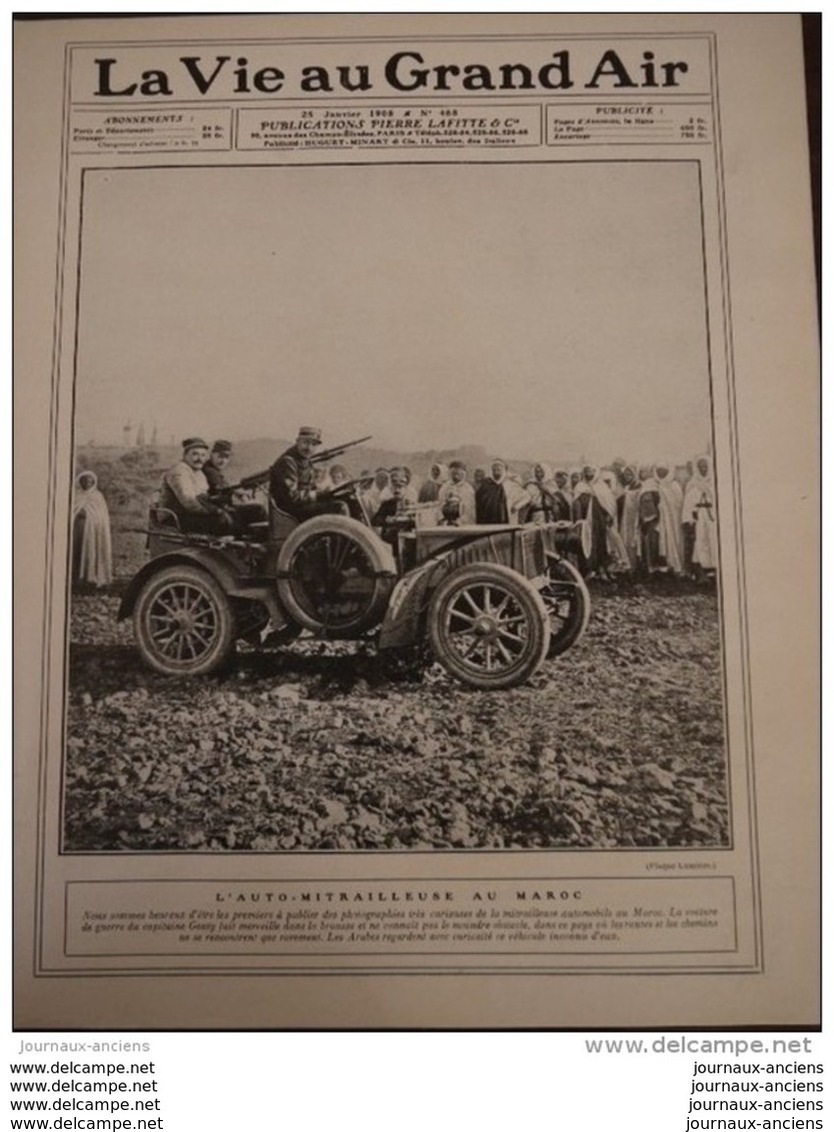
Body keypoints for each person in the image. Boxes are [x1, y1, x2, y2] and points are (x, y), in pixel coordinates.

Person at [269, 426, 348, 520]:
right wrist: (318, 493)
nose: (309, 448)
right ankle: (346, 534)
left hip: (302, 506)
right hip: (291, 512)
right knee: (339, 507)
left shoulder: (306, 461)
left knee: (347, 500)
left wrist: (325, 491)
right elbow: (292, 497)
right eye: (306, 443)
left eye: (314, 445)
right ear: (297, 442)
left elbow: (311, 487)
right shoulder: (288, 462)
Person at [160, 437, 233, 534]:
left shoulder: (197, 471)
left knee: (235, 514)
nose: (200, 459)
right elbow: (189, 502)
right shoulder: (179, 471)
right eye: (195, 454)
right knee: (221, 519)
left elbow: (203, 497)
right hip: (175, 517)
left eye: (203, 455)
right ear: (185, 455)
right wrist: (213, 511)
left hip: (189, 514)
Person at [72, 471, 112, 589]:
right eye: (85, 481)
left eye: (90, 481)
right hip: (77, 529)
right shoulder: (75, 496)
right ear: (80, 481)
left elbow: (101, 516)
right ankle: (75, 578)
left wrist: (88, 515)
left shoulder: (97, 497)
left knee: (90, 552)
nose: (87, 484)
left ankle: (90, 578)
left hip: (92, 531)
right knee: (76, 552)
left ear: (93, 483)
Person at [682, 454, 718, 576]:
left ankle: (714, 569)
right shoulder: (692, 484)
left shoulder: (714, 482)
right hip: (698, 517)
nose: (703, 469)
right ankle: (701, 571)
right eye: (700, 466)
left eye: (705, 466)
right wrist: (689, 519)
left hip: (712, 516)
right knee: (700, 542)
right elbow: (688, 503)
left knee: (713, 540)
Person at [476, 459, 531, 524]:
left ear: (504, 471)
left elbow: (527, 497)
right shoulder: (486, 485)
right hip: (488, 519)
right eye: (494, 470)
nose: (496, 472)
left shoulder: (510, 484)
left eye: (498, 470)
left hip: (506, 518)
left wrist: (516, 506)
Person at [654, 461, 684, 574]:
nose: (661, 473)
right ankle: (666, 565)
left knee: (674, 539)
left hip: (673, 518)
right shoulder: (658, 485)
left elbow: (678, 503)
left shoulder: (674, 485)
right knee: (663, 540)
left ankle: (677, 565)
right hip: (662, 518)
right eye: (658, 471)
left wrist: (668, 508)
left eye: (663, 471)